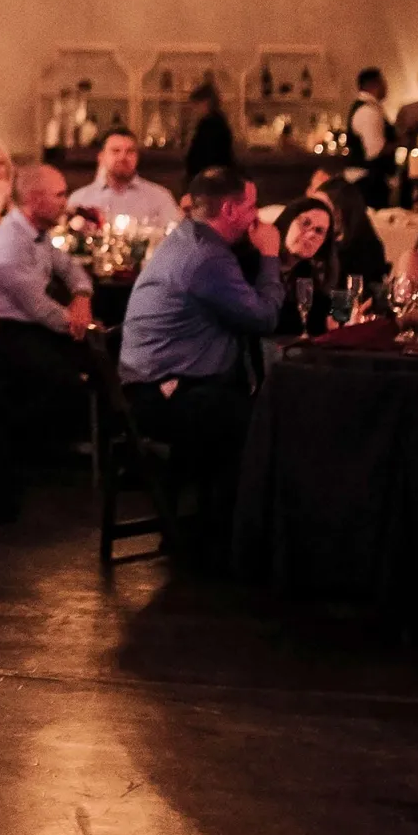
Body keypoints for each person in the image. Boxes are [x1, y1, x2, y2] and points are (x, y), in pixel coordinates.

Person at [118, 166, 283, 569]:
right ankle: (225, 542)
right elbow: (263, 319)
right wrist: (271, 256)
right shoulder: (205, 257)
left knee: (245, 407)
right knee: (263, 418)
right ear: (229, 210)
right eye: (251, 207)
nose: (256, 217)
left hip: (165, 383)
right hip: (160, 395)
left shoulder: (193, 240)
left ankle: (211, 530)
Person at [0, 162, 93, 515]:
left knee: (101, 359)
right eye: (58, 195)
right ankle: (35, 455)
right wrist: (78, 324)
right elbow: (40, 308)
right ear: (34, 199)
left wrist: (82, 296)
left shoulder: (37, 235)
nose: (65, 202)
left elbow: (71, 268)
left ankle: (86, 448)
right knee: (72, 381)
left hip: (29, 327)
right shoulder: (8, 243)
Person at [67, 127, 181, 230]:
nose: (122, 157)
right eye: (115, 151)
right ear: (101, 157)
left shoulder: (160, 198)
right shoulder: (80, 200)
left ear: (137, 157)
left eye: (130, 151)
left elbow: (175, 239)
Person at [305, 168, 389, 285]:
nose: (316, 214)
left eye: (325, 209)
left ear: (344, 212)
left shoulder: (364, 251)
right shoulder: (309, 243)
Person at [273, 198, 333, 337]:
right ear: (287, 222)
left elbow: (315, 325)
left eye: (319, 231)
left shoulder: (307, 274)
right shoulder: (257, 262)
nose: (311, 234)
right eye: (305, 223)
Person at [345, 66, 395, 209]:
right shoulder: (368, 112)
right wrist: (401, 143)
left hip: (367, 180)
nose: (386, 87)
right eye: (383, 82)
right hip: (368, 182)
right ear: (374, 84)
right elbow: (375, 151)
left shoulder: (369, 108)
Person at [183, 81, 234, 181]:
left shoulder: (209, 124)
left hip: (209, 181)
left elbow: (204, 155)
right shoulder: (219, 121)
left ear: (205, 103)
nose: (194, 110)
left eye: (196, 105)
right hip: (216, 178)